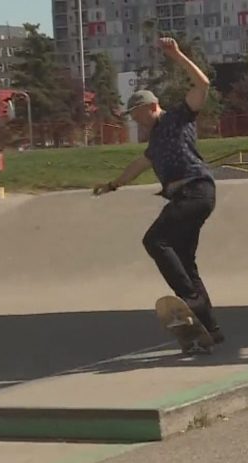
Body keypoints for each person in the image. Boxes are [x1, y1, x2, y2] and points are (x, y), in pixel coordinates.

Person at [93, 37, 224, 348]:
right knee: (184, 260)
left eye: (138, 115)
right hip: (185, 198)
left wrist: (177, 55)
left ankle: (191, 299)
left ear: (152, 106)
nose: (137, 121)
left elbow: (202, 84)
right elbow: (139, 163)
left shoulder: (179, 116)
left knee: (155, 240)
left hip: (197, 190)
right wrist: (113, 184)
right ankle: (211, 328)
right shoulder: (154, 142)